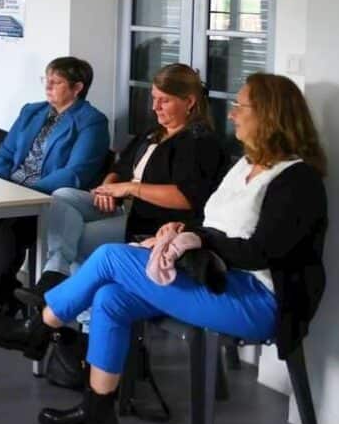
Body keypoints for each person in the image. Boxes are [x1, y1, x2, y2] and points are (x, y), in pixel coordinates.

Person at [0, 73, 327, 424]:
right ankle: (98, 412)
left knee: (110, 258)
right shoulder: (246, 166)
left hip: (260, 299)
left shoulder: (298, 180)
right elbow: (211, 219)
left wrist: (196, 238)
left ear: (269, 115)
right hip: (215, 278)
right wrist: (178, 229)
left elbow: (261, 252)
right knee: (110, 298)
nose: (233, 114)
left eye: (241, 106)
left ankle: (40, 326)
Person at [15, 62, 228, 301]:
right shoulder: (153, 132)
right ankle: (55, 277)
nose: (155, 107)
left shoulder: (199, 142)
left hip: (154, 222)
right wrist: (107, 189)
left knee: (76, 236)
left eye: (164, 101)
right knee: (62, 195)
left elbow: (186, 198)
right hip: (123, 207)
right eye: (153, 98)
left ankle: (73, 309)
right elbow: (120, 167)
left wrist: (129, 188)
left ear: (189, 102)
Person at [0, 57, 110, 324]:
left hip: (45, 198)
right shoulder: (32, 111)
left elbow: (76, 173)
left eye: (56, 82)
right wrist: (1, 184)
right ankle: (8, 293)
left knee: (10, 228)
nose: (48, 86)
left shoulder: (92, 122)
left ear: (77, 88)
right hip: (9, 188)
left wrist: (26, 192)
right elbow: (4, 154)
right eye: (46, 80)